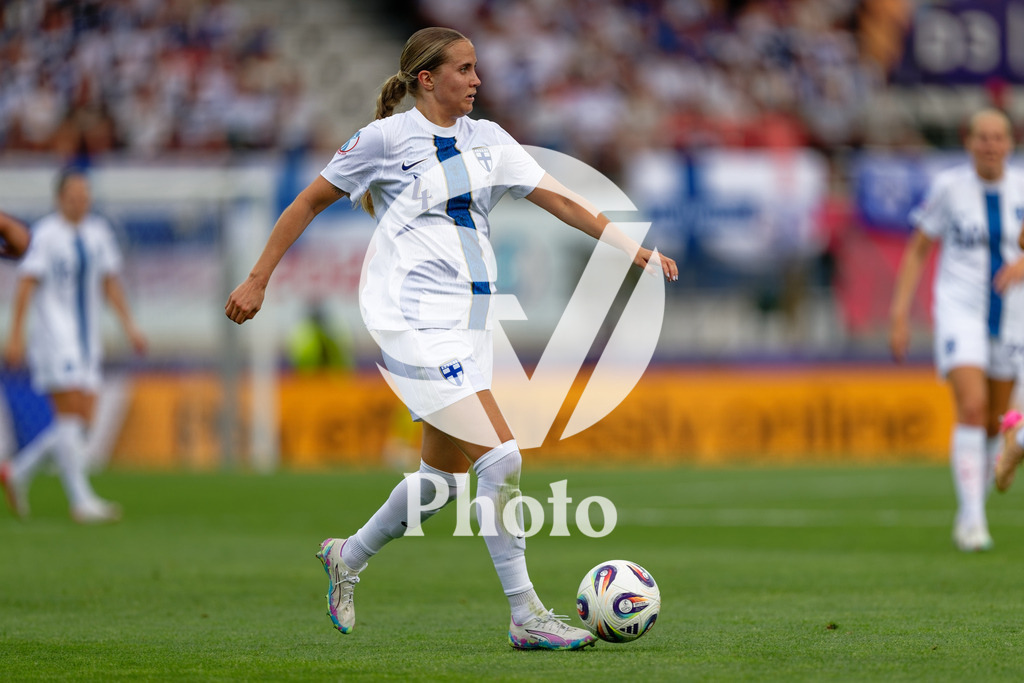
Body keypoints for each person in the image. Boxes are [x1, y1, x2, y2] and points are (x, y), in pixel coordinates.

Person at [225, 27, 677, 650]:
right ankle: (526, 615)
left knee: (440, 484)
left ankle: (347, 556)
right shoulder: (385, 140)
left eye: (476, 68)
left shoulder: (488, 140)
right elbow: (307, 202)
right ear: (426, 79)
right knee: (502, 459)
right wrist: (257, 278)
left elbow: (561, 201)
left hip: (468, 327)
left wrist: (630, 247)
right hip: (414, 327)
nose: (477, 80)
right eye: (464, 69)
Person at [889, 108, 1024, 552]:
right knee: (972, 405)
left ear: (1010, 142)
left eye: (997, 137)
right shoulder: (950, 187)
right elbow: (918, 249)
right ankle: (971, 520)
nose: (990, 144)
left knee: (995, 422)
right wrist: (899, 313)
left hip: (1011, 315)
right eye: (982, 137)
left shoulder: (1021, 185)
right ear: (969, 142)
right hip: (960, 309)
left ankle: (973, 511)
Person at [1, 169, 147, 523]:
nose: (80, 202)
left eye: (85, 196)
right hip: (55, 337)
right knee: (70, 418)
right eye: (73, 196)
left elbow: (110, 281)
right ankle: (81, 501)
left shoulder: (99, 233)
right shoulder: (45, 235)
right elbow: (26, 286)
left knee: (82, 423)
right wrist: (16, 334)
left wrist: (129, 326)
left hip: (87, 340)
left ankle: (17, 471)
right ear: (59, 199)